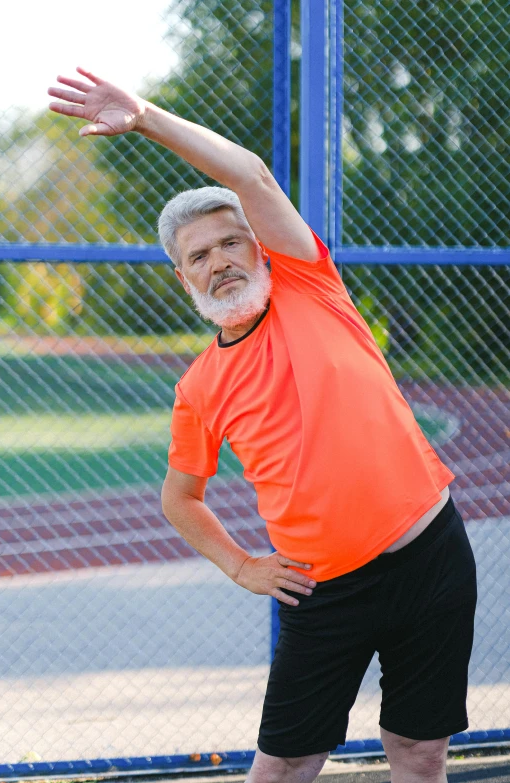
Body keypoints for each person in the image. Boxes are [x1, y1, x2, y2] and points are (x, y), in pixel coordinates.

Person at [48, 67, 477, 783]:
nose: (218, 262)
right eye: (198, 257)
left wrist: (148, 117)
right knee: (282, 767)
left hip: (430, 556)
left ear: (259, 247)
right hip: (322, 590)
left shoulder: (312, 283)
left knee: (420, 751)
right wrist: (242, 564)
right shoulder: (198, 387)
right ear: (184, 279)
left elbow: (248, 173)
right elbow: (179, 497)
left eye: (228, 244)